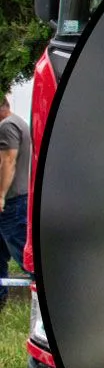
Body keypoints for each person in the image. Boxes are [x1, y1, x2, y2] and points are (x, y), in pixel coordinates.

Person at [0, 96, 28, 272]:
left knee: (21, 252)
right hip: (17, 199)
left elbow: (8, 162)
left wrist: (1, 195)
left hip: (11, 201)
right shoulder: (19, 122)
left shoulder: (7, 126)